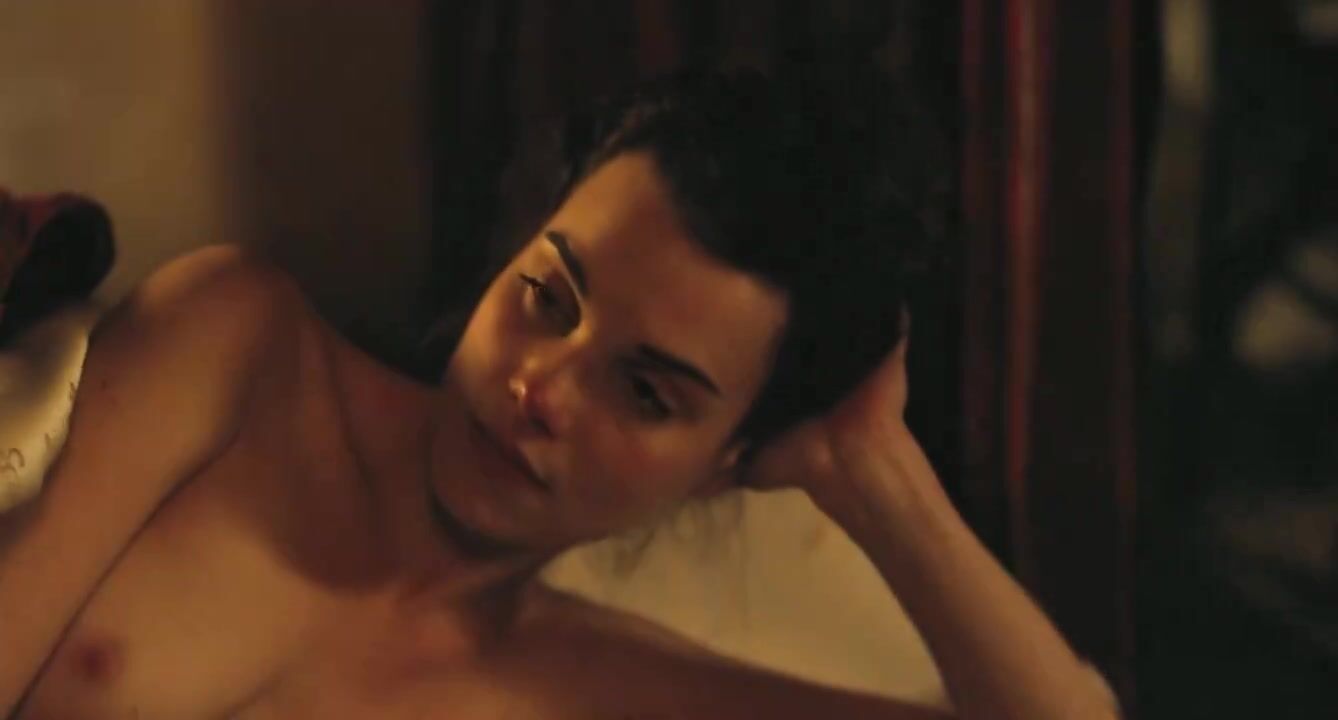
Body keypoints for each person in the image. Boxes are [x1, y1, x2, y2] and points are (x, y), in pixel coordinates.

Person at [0, 65, 1119, 719]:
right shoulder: (241, 350)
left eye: (645, 393)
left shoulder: (597, 683)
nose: (539, 385)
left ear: (727, 463)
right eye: (547, 295)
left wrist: (875, 473)